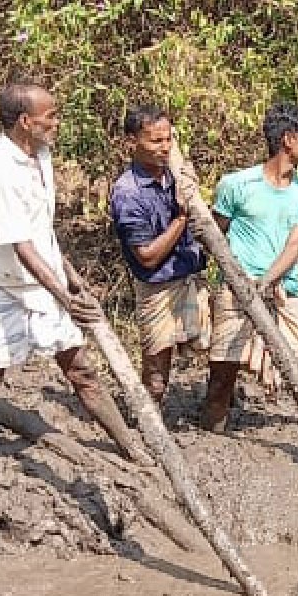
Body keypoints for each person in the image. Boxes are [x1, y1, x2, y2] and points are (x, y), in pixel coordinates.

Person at [0, 77, 140, 484]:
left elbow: (42, 232)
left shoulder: (40, 154)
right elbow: (20, 245)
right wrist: (65, 297)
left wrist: (70, 277)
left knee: (82, 370)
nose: (58, 123)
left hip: (43, 280)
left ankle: (134, 451)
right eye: (50, 116)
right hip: (2, 286)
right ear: (25, 121)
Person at [203, 102, 298, 432]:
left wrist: (265, 282)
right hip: (235, 292)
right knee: (220, 384)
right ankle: (213, 437)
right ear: (288, 139)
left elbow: (294, 246)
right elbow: (214, 236)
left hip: (285, 292)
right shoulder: (236, 186)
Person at [110, 104, 209, 408]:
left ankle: (217, 410)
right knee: (156, 376)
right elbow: (148, 257)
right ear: (131, 143)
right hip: (157, 290)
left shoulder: (176, 174)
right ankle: (146, 427)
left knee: (220, 353)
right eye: (155, 141)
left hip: (191, 278)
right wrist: (181, 216)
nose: (164, 148)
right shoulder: (128, 193)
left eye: (168, 140)